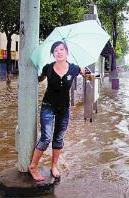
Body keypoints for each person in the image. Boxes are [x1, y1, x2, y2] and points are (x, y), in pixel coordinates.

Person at [28, 41, 91, 181]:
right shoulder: (48, 68)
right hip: (48, 106)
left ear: (67, 52)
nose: (59, 52)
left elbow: (87, 75)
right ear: (53, 54)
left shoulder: (74, 68)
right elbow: (38, 80)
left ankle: (54, 166)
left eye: (62, 49)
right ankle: (33, 166)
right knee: (46, 137)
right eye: (56, 50)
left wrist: (86, 71)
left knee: (58, 138)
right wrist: (38, 73)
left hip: (64, 108)